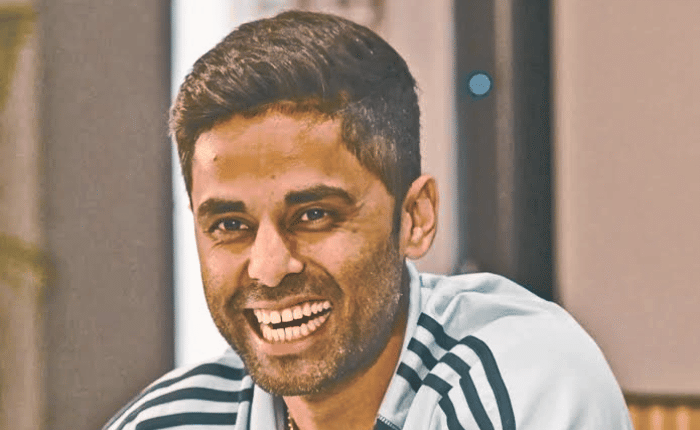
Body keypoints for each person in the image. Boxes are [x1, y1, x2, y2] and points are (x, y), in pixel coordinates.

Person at [103, 10, 632, 430]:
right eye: (229, 225)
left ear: (415, 218)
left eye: (313, 215)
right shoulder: (169, 420)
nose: (268, 268)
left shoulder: (521, 385)